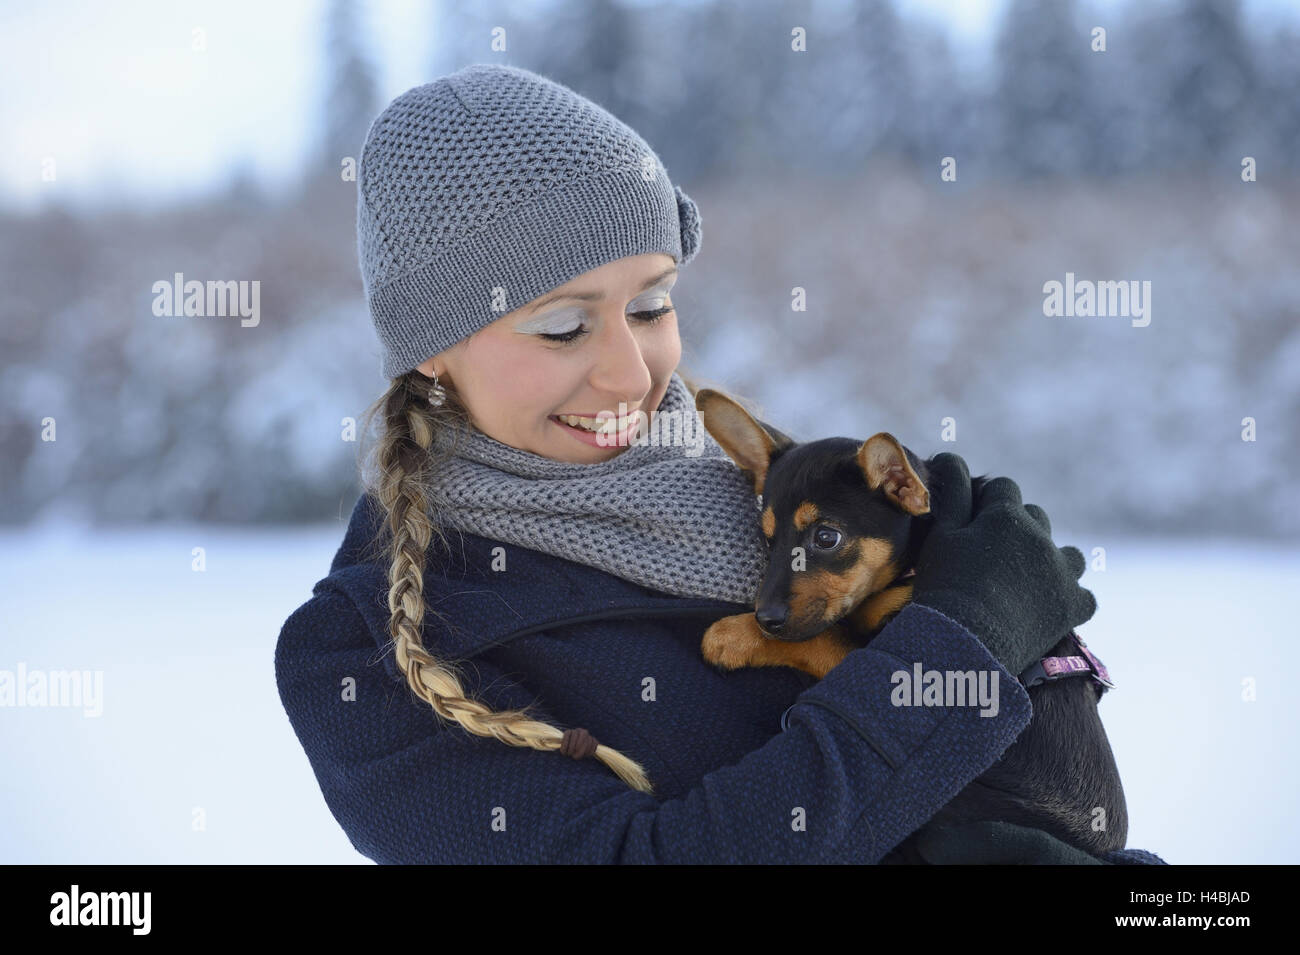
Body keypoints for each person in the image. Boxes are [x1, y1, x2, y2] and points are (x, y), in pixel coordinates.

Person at [275, 63, 1166, 865]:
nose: (631, 371)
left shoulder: (781, 495)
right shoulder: (365, 650)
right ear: (432, 347)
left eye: (653, 304)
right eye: (561, 325)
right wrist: (960, 646)